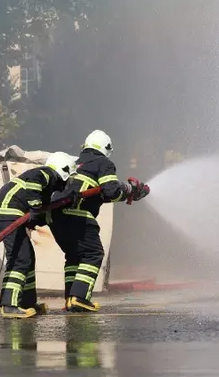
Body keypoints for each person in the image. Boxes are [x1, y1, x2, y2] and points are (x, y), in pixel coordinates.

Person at [49, 130, 149, 313]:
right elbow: (111, 191)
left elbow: (99, 195)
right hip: (77, 216)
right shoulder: (103, 163)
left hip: (56, 217)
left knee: (74, 257)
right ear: (107, 149)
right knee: (93, 254)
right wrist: (129, 190)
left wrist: (127, 193)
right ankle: (80, 298)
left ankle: (70, 299)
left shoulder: (76, 163)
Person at [0, 151, 77, 318]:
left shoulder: (47, 183)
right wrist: (35, 208)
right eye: (68, 176)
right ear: (64, 170)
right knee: (20, 258)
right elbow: (34, 189)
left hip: (9, 212)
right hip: (7, 211)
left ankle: (28, 302)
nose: (66, 183)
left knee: (27, 258)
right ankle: (9, 305)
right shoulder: (45, 173)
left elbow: (41, 210)